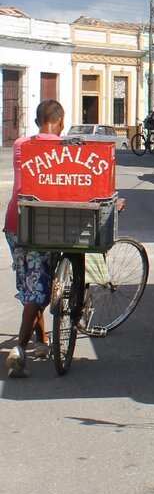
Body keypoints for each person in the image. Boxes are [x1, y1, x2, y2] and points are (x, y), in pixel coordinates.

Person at [4, 100, 64, 378]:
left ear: (38, 120)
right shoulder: (64, 148)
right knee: (38, 286)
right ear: (60, 121)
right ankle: (20, 348)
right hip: (43, 225)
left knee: (30, 283)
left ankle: (42, 341)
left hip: (15, 222)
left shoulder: (20, 144)